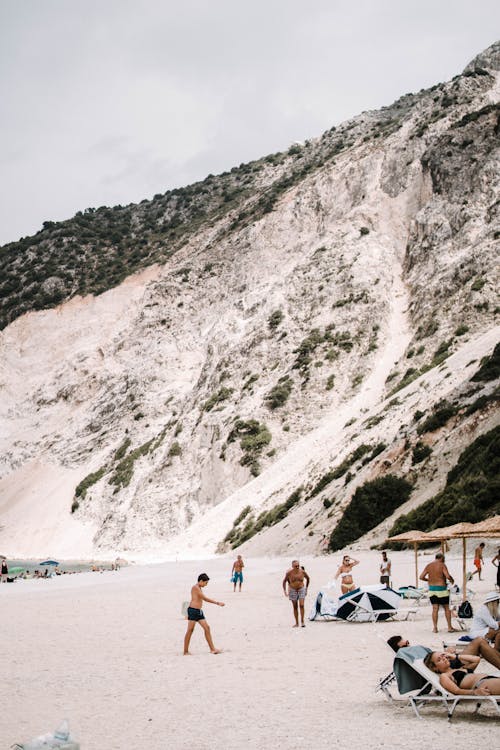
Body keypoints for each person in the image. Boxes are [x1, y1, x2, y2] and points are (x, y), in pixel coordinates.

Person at [387, 633, 500, 670]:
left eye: (407, 642)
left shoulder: (411, 652)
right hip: (451, 664)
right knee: (480, 641)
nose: (408, 644)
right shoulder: (409, 655)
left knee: (480, 641)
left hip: (448, 659)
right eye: (405, 644)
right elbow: (432, 663)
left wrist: (445, 652)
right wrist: (449, 655)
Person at [423, 650, 500, 696]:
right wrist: (474, 692)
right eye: (439, 659)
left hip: (491, 679)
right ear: (435, 667)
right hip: (482, 684)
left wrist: (456, 656)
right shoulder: (445, 676)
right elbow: (456, 691)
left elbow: (476, 659)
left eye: (443, 656)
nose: (443, 659)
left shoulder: (460, 669)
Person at [183, 573, 225, 655]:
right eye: (206, 583)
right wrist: (217, 603)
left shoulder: (199, 587)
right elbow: (205, 598)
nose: (206, 585)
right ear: (201, 581)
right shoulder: (195, 588)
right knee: (190, 631)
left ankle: (212, 649)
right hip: (193, 611)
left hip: (199, 611)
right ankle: (185, 651)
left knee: (207, 628)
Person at [419, 552, 457, 633]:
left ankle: (435, 628)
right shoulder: (442, 565)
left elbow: (421, 577)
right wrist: (452, 580)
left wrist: (429, 580)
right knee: (446, 608)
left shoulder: (429, 565)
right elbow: (447, 576)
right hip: (442, 589)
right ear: (442, 558)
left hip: (432, 590)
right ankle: (449, 627)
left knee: (435, 609)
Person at [283, 560, 310, 627]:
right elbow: (284, 582)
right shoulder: (289, 573)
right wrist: (285, 591)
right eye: (296, 566)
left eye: (298, 565)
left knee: (302, 605)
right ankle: (297, 623)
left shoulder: (302, 572)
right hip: (293, 589)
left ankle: (302, 622)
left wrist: (306, 588)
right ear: (292, 566)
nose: (297, 567)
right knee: (295, 606)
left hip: (301, 589)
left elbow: (308, 578)